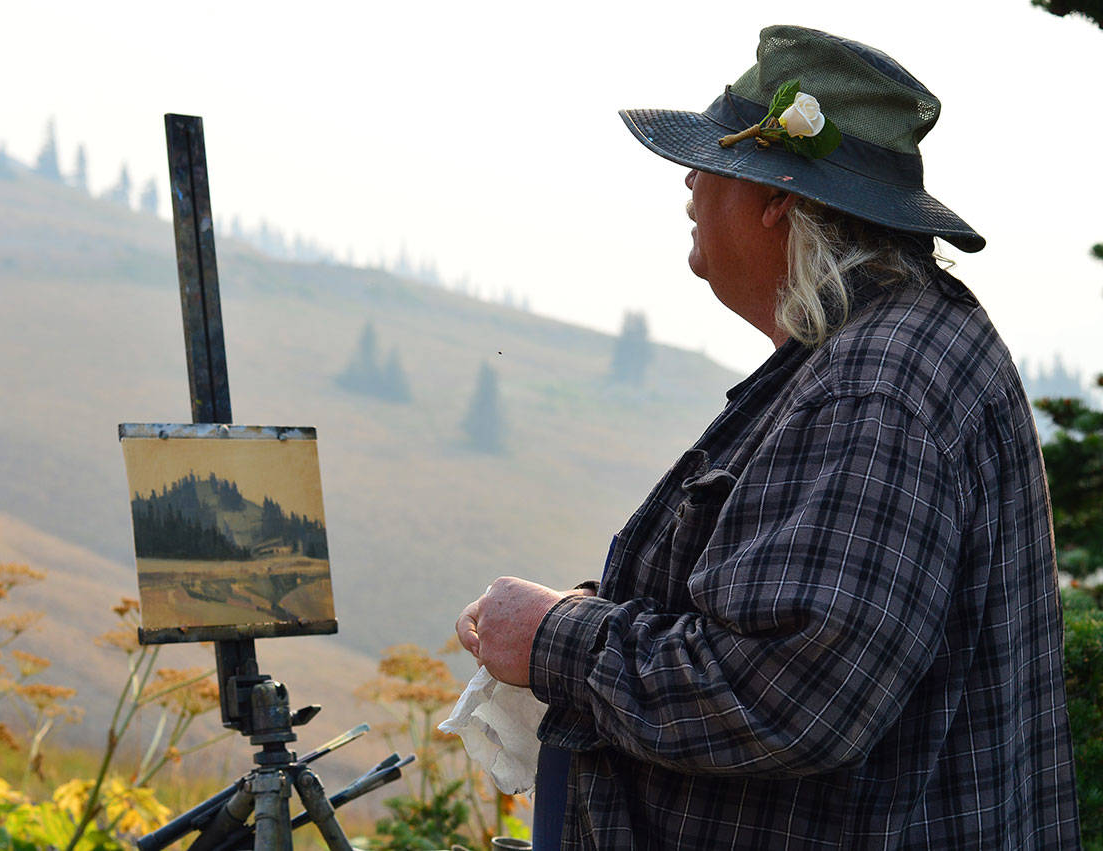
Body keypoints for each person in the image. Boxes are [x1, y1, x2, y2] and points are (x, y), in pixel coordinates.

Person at [455, 25, 1081, 849]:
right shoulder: (895, 347)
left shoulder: (874, 389)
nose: (689, 178)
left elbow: (787, 697)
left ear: (779, 200)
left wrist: (553, 638)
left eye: (715, 163)